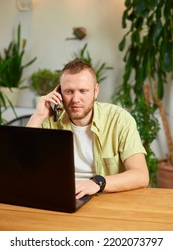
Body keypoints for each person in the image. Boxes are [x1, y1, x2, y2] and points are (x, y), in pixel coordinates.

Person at [27, 58, 149, 199]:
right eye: (69, 91)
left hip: (105, 196)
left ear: (95, 91)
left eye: (83, 91)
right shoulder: (48, 120)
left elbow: (141, 175)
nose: (75, 99)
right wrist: (37, 117)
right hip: (60, 196)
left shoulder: (119, 119)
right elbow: (23, 165)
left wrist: (97, 183)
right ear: (59, 92)